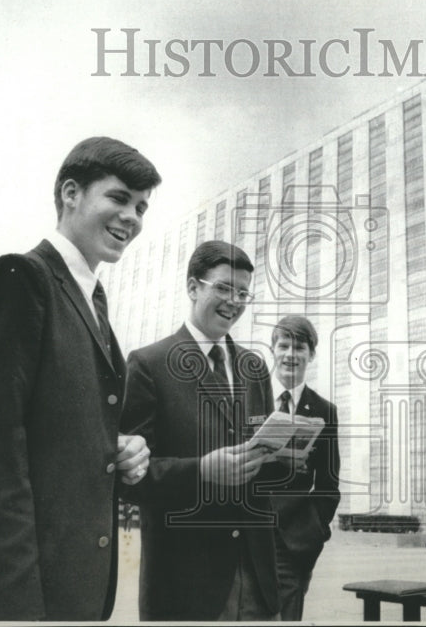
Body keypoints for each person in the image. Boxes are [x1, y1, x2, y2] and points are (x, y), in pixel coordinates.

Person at [0, 137, 160, 621]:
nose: (132, 217)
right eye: (118, 198)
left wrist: (114, 447)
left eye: (141, 206)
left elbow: (50, 433)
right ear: (70, 193)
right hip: (16, 601)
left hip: (70, 597)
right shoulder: (20, 278)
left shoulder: (92, 303)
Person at [121, 240, 280, 621]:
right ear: (193, 287)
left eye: (243, 292)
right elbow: (130, 478)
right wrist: (201, 471)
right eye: (223, 288)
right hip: (186, 582)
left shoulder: (255, 369)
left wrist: (287, 455)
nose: (234, 301)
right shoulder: (149, 365)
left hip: (258, 577)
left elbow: (267, 466)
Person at [265, 315, 340, 621]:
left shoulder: (324, 410)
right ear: (273, 350)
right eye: (283, 345)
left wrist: (315, 530)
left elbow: (328, 480)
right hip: (245, 532)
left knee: (287, 616)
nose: (290, 354)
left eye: (299, 347)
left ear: (311, 354)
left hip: (294, 542)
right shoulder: (247, 398)